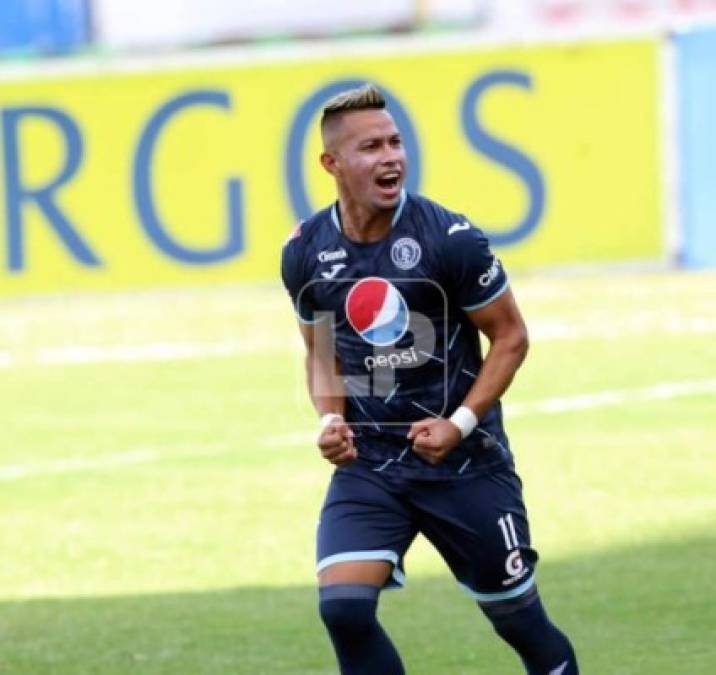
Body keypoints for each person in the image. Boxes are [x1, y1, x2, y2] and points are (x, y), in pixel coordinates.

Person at [281, 83, 578, 675]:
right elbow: (320, 355)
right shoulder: (305, 252)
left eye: (395, 142)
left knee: (521, 623)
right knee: (343, 609)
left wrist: (459, 424)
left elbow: (511, 336)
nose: (391, 157)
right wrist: (330, 419)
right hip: (370, 465)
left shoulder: (450, 239)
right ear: (331, 164)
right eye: (371, 147)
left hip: (463, 464)